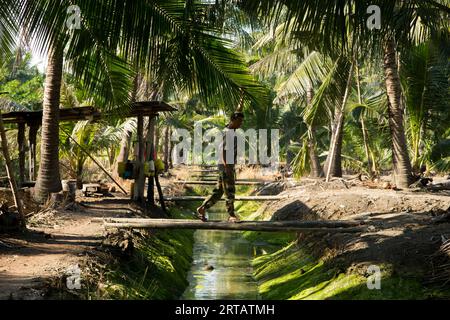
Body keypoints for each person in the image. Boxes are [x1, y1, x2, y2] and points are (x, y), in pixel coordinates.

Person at [196, 112, 244, 223]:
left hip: (226, 165)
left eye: (242, 121)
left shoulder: (230, 131)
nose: (241, 124)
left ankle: (202, 208)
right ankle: (231, 215)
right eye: (239, 121)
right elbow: (222, 150)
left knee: (219, 191)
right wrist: (226, 165)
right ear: (233, 120)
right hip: (226, 165)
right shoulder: (228, 133)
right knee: (230, 190)